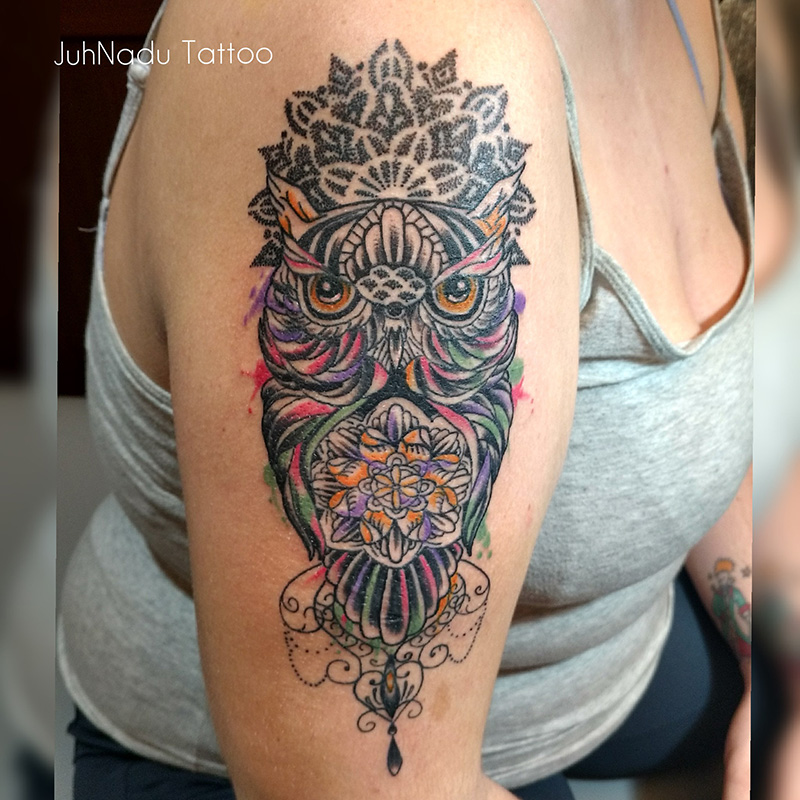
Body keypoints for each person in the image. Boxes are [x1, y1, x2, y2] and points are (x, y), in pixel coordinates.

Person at [58, 1, 752, 798]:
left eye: (454, 294)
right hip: (306, 763)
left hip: (608, 658)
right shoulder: (369, 29)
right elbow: (380, 785)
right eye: (330, 293)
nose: (395, 391)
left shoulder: (682, 11)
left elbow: (710, 383)